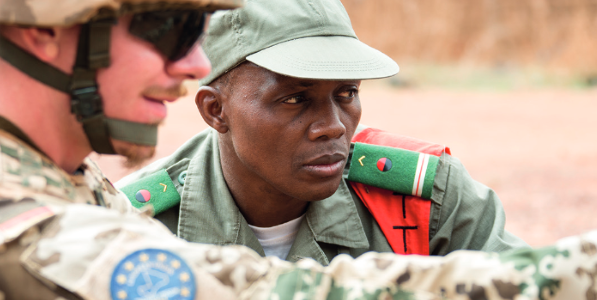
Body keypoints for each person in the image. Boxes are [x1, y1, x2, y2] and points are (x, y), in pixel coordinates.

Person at [116, 0, 527, 264]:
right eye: (293, 99)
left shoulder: (426, 200)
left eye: (346, 93)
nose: (332, 126)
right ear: (215, 110)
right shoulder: (133, 225)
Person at [0, 0, 244, 298]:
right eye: (170, 28)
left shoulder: (61, 171)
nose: (199, 66)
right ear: (44, 30)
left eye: (198, 35)